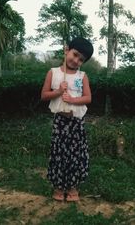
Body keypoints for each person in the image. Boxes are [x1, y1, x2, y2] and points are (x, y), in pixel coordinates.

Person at [41, 37, 94, 202]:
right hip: (60, 123)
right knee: (59, 154)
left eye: (81, 59)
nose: (76, 60)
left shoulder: (82, 76)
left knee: (75, 156)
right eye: (75, 54)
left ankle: (72, 187)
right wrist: (57, 92)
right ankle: (58, 186)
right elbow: (44, 96)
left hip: (76, 123)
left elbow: (87, 98)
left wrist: (72, 99)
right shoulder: (53, 72)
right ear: (66, 50)